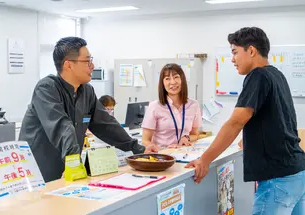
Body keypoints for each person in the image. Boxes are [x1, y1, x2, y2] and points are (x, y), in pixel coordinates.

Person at [185, 27, 305, 214]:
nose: (232, 59)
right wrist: (253, 139)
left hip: (277, 177)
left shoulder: (257, 76)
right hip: (296, 172)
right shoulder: (276, 75)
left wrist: (205, 160)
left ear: (251, 50)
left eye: (235, 52)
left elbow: (235, 122)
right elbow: (279, 119)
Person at [19, 37, 158, 182]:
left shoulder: (87, 91)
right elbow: (62, 127)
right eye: (87, 61)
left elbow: (106, 125)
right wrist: (73, 164)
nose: (92, 66)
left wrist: (139, 149)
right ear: (68, 65)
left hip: (68, 170)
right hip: (39, 173)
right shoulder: (47, 88)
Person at [141, 63, 202, 149]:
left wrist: (186, 138)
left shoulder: (193, 105)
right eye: (167, 79)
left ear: (182, 80)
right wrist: (162, 150)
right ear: (162, 83)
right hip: (163, 157)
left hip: (184, 154)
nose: (172, 82)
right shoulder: (154, 106)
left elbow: (195, 134)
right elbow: (145, 140)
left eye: (176, 77)